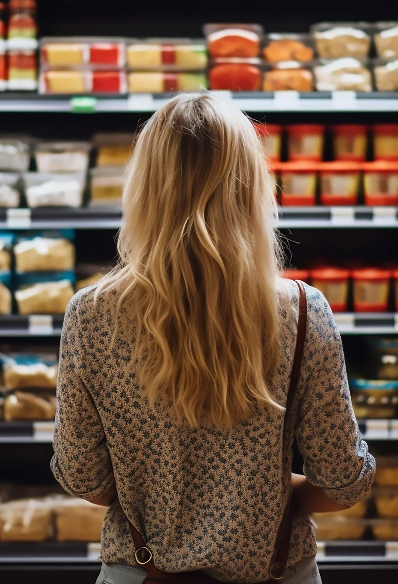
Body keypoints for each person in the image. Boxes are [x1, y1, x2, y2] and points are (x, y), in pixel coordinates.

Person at [50, 91, 375, 584]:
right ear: (252, 187)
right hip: (275, 572)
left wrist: (161, 490)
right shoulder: (303, 311)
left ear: (143, 189)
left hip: (140, 573)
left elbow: (83, 477)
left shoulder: (91, 315)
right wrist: (260, 492)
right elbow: (344, 484)